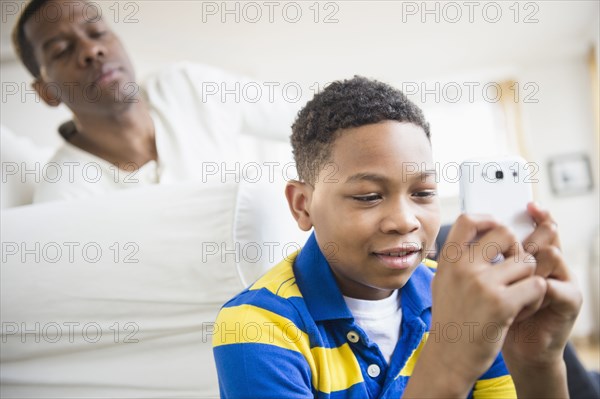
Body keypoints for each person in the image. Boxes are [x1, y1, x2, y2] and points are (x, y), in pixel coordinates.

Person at [212, 76, 582, 398]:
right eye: (368, 196)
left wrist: (539, 364)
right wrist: (450, 363)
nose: (404, 221)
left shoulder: (469, 297)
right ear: (303, 206)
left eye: (423, 193)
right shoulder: (255, 327)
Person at [12, 0, 297, 203]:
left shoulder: (188, 85)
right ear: (47, 92)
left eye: (98, 33)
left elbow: (311, 118)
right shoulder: (64, 194)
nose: (91, 49)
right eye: (61, 50)